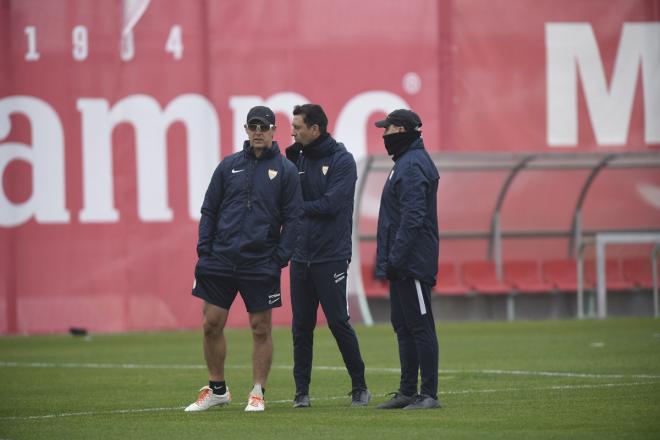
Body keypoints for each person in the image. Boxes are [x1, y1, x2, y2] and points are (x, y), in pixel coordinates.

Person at [185, 105, 303, 413]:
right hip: (220, 259)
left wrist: (279, 257)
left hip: (261, 261)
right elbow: (209, 209)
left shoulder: (286, 170)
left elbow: (294, 219)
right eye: (253, 127)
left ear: (274, 130)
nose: (258, 132)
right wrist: (204, 249)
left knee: (260, 327)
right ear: (246, 130)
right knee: (211, 323)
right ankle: (217, 390)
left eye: (264, 127)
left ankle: (257, 392)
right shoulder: (228, 166)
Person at [285, 104, 370, 408]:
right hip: (300, 255)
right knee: (301, 326)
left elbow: (331, 205)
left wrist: (295, 209)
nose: (292, 131)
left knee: (337, 322)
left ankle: (360, 386)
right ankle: (301, 393)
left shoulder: (342, 161)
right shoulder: (297, 157)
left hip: (331, 256)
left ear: (315, 129)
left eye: (297, 127)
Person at [373, 109, 441, 410]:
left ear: (400, 130)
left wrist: (396, 257)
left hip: (411, 262)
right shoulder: (405, 162)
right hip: (401, 261)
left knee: (420, 325)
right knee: (403, 325)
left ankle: (428, 394)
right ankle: (407, 392)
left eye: (386, 129)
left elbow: (413, 217)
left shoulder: (412, 165)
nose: (383, 135)